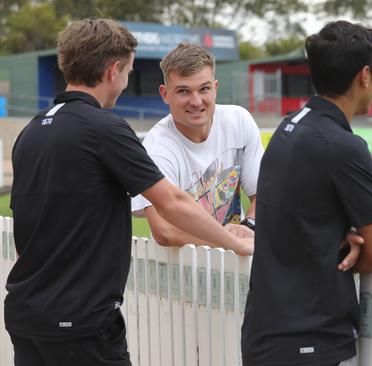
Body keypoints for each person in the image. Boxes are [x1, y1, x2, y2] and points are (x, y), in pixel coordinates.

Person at [5, 19, 252, 366]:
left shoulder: (32, 130)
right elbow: (172, 202)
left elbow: (23, 229)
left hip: (24, 315)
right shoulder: (105, 128)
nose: (125, 83)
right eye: (129, 72)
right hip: (80, 324)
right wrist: (236, 243)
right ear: (113, 70)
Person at [241, 20, 372, 366]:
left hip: (266, 333)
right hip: (308, 342)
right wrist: (340, 250)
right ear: (365, 76)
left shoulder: (288, 127)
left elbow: (301, 217)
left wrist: (337, 236)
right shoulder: (343, 146)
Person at [131, 43, 263, 245]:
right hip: (180, 272)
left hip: (233, 270)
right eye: (184, 91)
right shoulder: (157, 148)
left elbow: (263, 194)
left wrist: (249, 226)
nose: (196, 101)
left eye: (204, 89)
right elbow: (164, 231)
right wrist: (232, 243)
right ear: (165, 94)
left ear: (215, 88)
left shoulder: (239, 121)